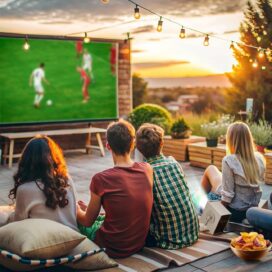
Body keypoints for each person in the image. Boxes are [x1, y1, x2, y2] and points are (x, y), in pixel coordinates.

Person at [77, 120, 153, 258]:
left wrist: (75, 209)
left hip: (112, 247)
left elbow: (87, 222)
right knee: (91, 211)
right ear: (133, 144)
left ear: (107, 146)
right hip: (138, 243)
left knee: (75, 216)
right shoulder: (147, 169)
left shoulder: (100, 179)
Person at [136, 123, 199, 249]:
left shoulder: (145, 172)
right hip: (193, 232)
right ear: (162, 143)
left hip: (168, 239)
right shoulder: (174, 162)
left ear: (139, 148)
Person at [8, 136, 78, 231]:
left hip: (44, 242)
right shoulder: (67, 179)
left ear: (26, 160)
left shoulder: (25, 189)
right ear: (53, 158)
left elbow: (18, 224)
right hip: (74, 237)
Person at [201, 122, 265, 223]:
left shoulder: (229, 160)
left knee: (210, 172)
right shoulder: (259, 158)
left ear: (231, 139)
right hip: (251, 207)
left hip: (234, 211)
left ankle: (199, 204)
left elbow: (227, 197)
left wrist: (214, 213)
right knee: (211, 168)